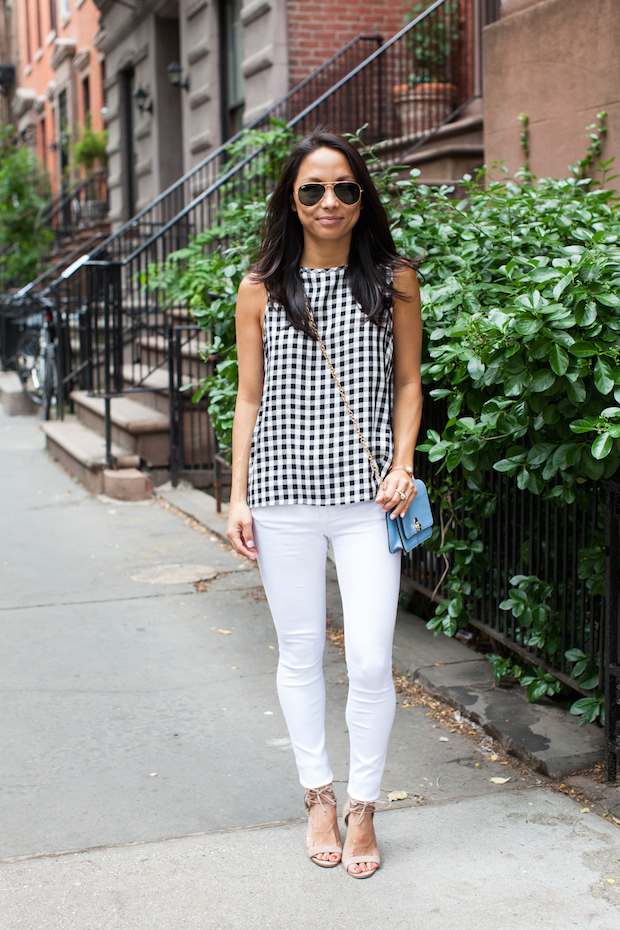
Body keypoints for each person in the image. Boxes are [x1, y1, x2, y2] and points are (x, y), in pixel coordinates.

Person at [226, 130, 422, 879]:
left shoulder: (395, 279)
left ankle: (365, 806)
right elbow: (250, 396)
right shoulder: (262, 287)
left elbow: (408, 384)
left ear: (362, 195)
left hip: (367, 499)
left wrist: (403, 462)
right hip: (281, 494)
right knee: (300, 654)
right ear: (292, 200)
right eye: (313, 190)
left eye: (343, 187)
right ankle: (318, 794)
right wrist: (238, 494)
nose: (329, 202)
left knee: (371, 659)